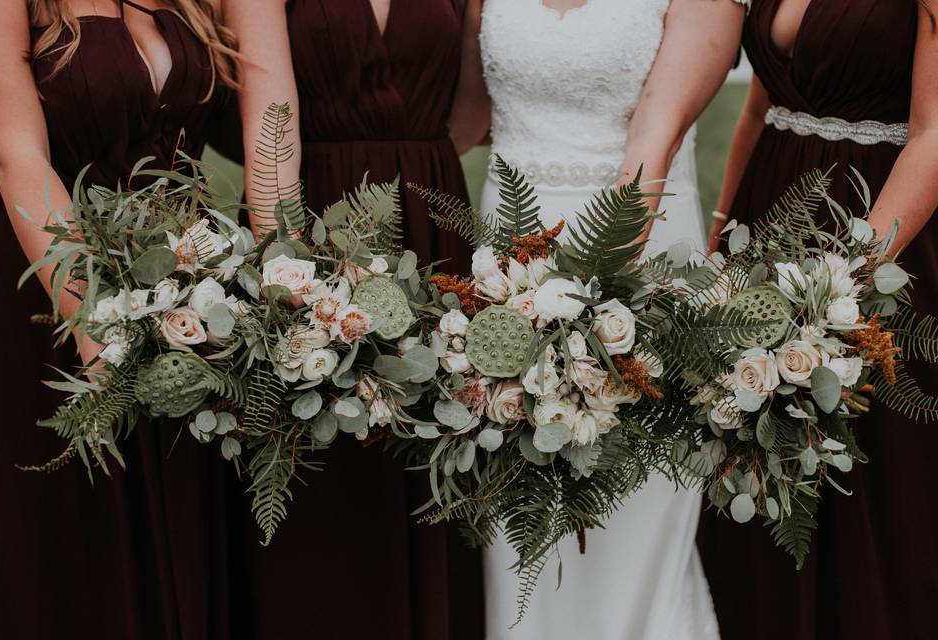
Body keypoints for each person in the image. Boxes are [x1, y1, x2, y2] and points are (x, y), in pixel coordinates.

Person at [446, 0, 748, 637]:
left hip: (634, 247)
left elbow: (655, 135)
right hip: (511, 253)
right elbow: (467, 117)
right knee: (516, 488)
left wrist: (596, 301)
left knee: (631, 490)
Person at [0, 1, 244, 638]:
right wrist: (104, 336)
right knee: (69, 544)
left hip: (177, 294)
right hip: (44, 286)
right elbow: (14, 155)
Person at [218, 1, 484, 637]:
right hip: (320, 219)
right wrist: (290, 277)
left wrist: (414, 156)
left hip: (430, 221)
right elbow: (270, 128)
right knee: (328, 454)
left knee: (438, 445)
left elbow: (474, 102)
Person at [701, 2, 938, 639]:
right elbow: (760, 108)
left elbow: (933, 134)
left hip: (880, 235)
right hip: (769, 220)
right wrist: (720, 246)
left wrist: (846, 284)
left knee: (870, 475)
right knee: (753, 459)